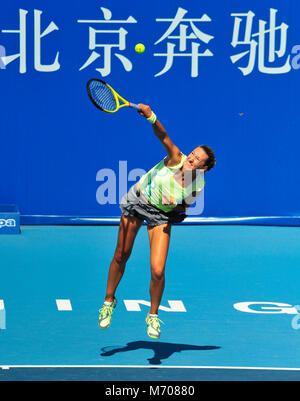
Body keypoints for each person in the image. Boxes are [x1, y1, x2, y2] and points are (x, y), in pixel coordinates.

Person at [98, 104, 216, 339]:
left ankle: (152, 315)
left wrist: (175, 206)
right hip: (137, 202)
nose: (191, 158)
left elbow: (184, 207)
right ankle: (109, 301)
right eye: (193, 153)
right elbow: (163, 136)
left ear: (203, 168)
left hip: (160, 215)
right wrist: (152, 116)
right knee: (121, 254)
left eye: (197, 159)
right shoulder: (175, 158)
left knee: (158, 270)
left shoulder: (198, 183)